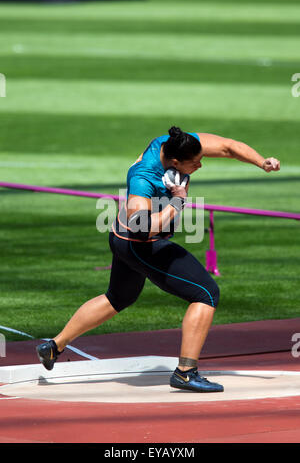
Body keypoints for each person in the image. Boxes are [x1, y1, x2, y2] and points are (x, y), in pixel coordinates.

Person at [36, 127, 280, 392]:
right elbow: (141, 228)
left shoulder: (174, 144)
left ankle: (53, 347)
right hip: (140, 244)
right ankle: (186, 373)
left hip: (120, 238)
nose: (200, 165)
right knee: (206, 294)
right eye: (194, 163)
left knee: (118, 298)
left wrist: (261, 161)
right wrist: (177, 202)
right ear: (175, 162)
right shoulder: (143, 178)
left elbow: (228, 146)